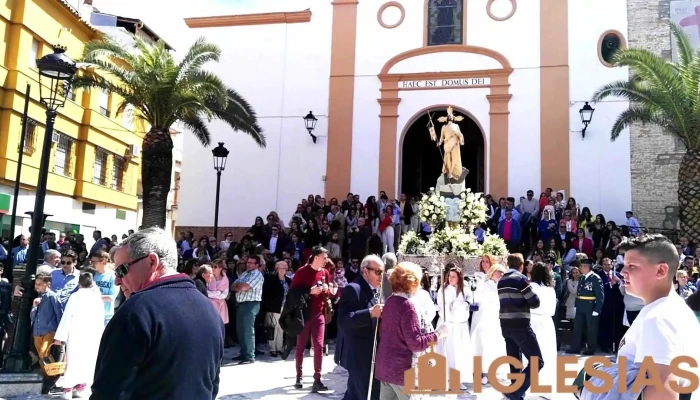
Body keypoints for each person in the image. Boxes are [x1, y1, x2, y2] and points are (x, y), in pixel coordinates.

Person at [91, 228, 225, 400]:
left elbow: (108, 392)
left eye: (122, 270)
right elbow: (211, 385)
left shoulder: (135, 311)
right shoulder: (210, 310)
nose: (117, 280)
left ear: (152, 262)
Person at [582, 234, 700, 400]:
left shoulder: (658, 319)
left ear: (661, 270)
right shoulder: (669, 309)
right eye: (624, 265)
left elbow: (663, 395)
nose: (623, 271)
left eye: (632, 266)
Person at [374, 262, 450, 400]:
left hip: (385, 367)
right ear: (412, 282)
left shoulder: (391, 300)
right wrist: (439, 333)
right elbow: (416, 343)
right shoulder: (407, 306)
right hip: (402, 372)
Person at [336, 255, 385, 400]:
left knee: (355, 395)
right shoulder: (354, 289)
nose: (381, 276)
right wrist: (369, 313)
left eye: (382, 272)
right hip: (358, 355)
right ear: (365, 271)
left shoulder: (377, 291)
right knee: (364, 394)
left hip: (372, 355)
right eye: (377, 272)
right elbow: (343, 321)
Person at [290, 246, 337, 392]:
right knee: (301, 346)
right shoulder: (301, 272)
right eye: (324, 257)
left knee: (319, 346)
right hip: (303, 315)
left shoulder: (325, 272)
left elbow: (329, 293)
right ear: (316, 257)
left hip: (319, 314)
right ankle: (299, 376)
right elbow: (293, 292)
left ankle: (317, 379)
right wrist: (310, 291)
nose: (326, 260)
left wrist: (326, 290)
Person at [497, 253, 542, 400]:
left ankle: (515, 393)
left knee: (514, 360)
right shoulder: (521, 279)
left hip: (505, 325)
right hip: (520, 325)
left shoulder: (501, 280)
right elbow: (535, 302)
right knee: (537, 361)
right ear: (521, 266)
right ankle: (516, 391)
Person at [54, 271, 105, 399]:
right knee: (88, 360)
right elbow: (100, 317)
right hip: (92, 332)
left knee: (73, 360)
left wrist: (60, 336)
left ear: (79, 283)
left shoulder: (75, 296)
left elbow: (67, 316)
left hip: (76, 332)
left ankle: (67, 390)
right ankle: (81, 387)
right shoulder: (97, 297)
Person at [436, 263, 473, 389]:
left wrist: (460, 304)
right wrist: (454, 305)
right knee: (447, 352)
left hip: (460, 326)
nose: (450, 279)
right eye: (449, 276)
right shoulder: (443, 290)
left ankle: (458, 379)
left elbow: (469, 302)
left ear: (459, 278)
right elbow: (442, 306)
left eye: (453, 277)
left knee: (459, 353)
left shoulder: (464, 289)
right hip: (448, 324)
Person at [471, 264, 508, 385]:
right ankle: (483, 373)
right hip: (484, 318)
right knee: (482, 346)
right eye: (499, 273)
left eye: (503, 273)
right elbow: (478, 299)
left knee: (494, 347)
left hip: (496, 320)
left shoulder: (501, 286)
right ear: (493, 273)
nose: (501, 275)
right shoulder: (485, 285)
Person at [528, 262, 558, 395]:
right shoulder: (550, 289)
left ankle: (531, 384)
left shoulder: (530, 287)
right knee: (547, 353)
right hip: (547, 321)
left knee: (531, 353)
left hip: (533, 320)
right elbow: (552, 310)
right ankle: (546, 384)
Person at [31, 274, 64, 392]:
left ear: (47, 284)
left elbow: (59, 314)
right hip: (37, 330)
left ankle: (53, 377)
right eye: (36, 284)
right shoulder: (37, 298)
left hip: (49, 330)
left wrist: (60, 332)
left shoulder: (53, 297)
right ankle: (48, 376)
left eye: (39, 284)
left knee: (45, 352)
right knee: (41, 354)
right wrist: (34, 306)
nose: (37, 286)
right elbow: (32, 317)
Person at [230, 256, 264, 364]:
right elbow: (232, 285)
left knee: (248, 330)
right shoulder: (245, 273)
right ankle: (243, 353)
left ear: (257, 265)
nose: (248, 264)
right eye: (248, 262)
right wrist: (238, 287)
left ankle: (250, 356)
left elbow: (244, 286)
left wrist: (239, 287)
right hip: (241, 303)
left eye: (251, 263)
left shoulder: (257, 274)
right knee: (240, 330)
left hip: (251, 304)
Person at [568, 259, 604, 355]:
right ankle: (575, 347)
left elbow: (600, 295)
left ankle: (590, 349)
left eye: (581, 266)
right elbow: (579, 292)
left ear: (586, 267)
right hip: (580, 305)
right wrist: (576, 305)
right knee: (577, 327)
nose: (580, 268)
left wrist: (597, 309)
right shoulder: (582, 277)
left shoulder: (595, 278)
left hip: (590, 305)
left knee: (591, 328)